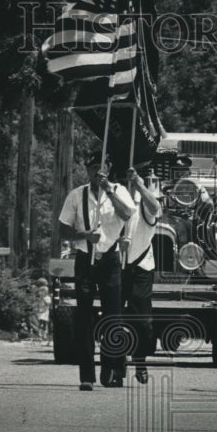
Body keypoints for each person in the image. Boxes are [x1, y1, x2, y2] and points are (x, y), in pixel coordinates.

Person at [57, 151, 135, 391]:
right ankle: (86, 376)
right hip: (85, 259)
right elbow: (63, 229)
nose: (96, 172)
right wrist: (84, 236)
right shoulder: (76, 195)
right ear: (87, 170)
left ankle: (112, 370)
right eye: (92, 168)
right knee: (83, 318)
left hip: (110, 258)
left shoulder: (119, 191)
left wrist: (109, 191)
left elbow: (127, 214)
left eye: (101, 167)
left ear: (109, 168)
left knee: (113, 316)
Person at [120, 167, 162, 385]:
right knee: (114, 318)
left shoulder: (143, 200)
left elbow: (155, 207)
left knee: (144, 322)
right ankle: (116, 366)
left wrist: (139, 184)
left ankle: (140, 360)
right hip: (117, 265)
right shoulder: (114, 196)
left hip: (141, 267)